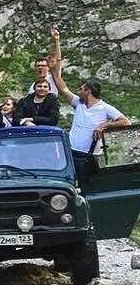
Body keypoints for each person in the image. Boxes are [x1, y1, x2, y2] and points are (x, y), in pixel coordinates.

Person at [48, 33, 130, 177]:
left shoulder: (104, 107)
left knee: (90, 183)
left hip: (90, 154)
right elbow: (63, 88)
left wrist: (103, 125)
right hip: (71, 151)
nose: (78, 91)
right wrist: (54, 70)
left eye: (81, 89)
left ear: (88, 91)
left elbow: (125, 121)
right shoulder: (78, 103)